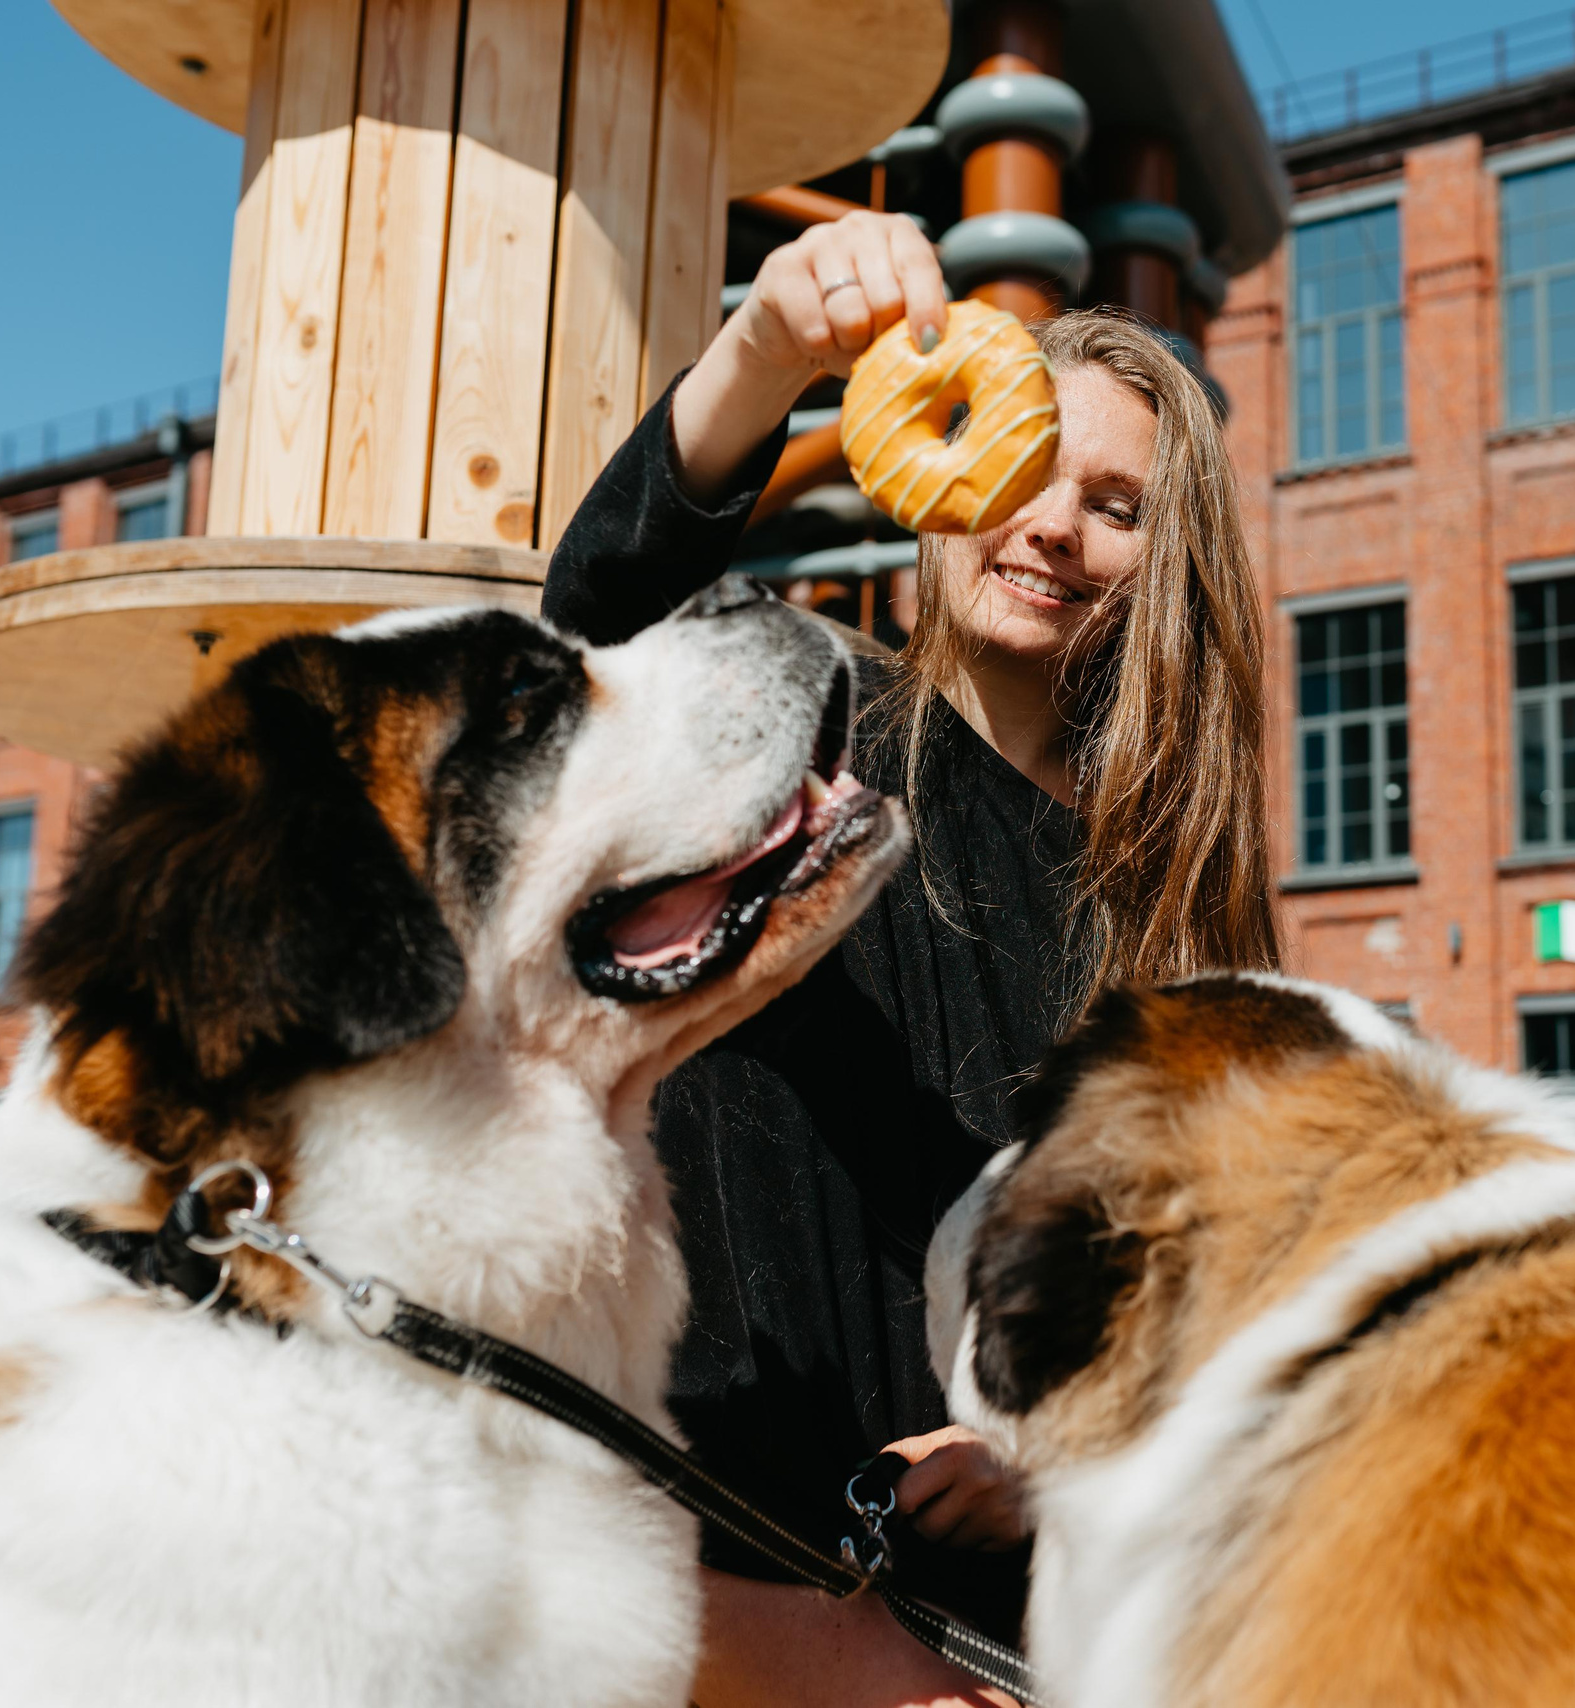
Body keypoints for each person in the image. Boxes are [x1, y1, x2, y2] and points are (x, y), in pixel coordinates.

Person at [542, 210, 1278, 1707]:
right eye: (1026, 470)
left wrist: (1051, 1458)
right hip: (707, 1568)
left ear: (1165, 565)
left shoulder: (1181, 924)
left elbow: (1217, 1323)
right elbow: (599, 618)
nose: (1054, 526)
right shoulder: (807, 739)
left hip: (993, 1640)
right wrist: (764, 352)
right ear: (931, 487)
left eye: (1119, 505)